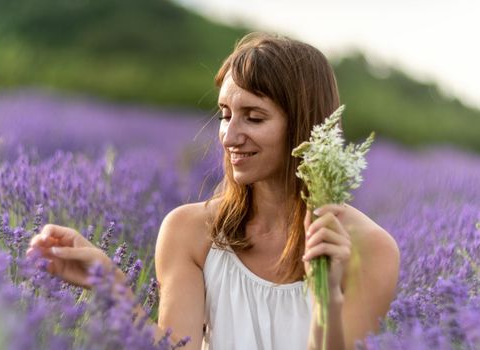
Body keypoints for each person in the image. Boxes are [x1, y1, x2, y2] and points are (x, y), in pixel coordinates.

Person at [28, 32, 400, 350]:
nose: (230, 136)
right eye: (225, 114)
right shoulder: (190, 231)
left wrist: (328, 301)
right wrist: (112, 287)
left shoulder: (367, 248)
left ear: (304, 125)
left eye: (254, 117)